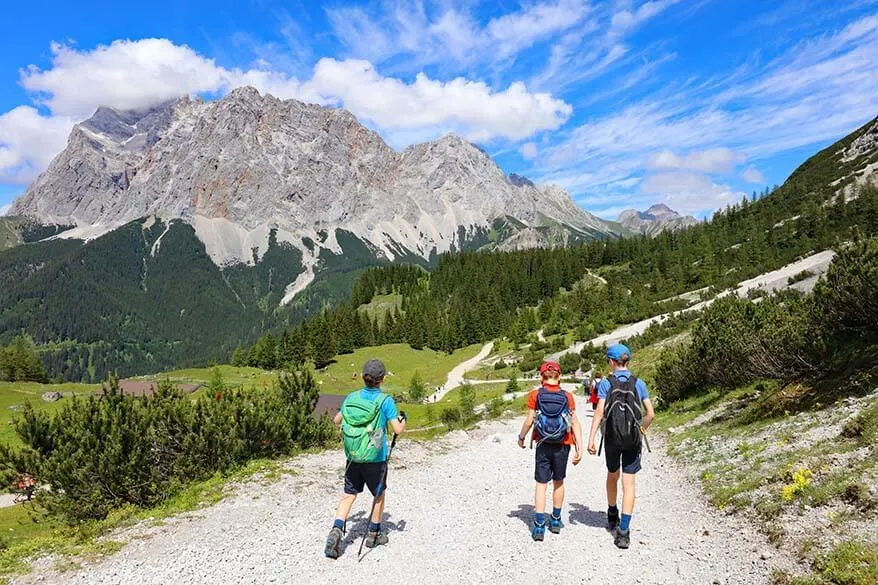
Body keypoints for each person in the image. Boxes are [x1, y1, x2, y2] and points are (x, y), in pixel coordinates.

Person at [325, 359, 406, 559]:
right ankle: (374, 533)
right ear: (383, 378)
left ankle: (336, 529)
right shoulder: (385, 401)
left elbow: (337, 421)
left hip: (353, 456)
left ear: (363, 377)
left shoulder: (351, 397)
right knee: (378, 495)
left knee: (348, 494)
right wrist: (403, 421)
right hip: (375, 456)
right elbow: (397, 429)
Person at [587, 344, 655, 550]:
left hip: (612, 439)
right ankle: (624, 532)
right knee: (629, 483)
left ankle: (611, 513)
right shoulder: (639, 383)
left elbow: (599, 413)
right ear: (627, 361)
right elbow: (650, 414)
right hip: (632, 439)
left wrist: (591, 438)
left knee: (612, 475)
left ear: (611, 362)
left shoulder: (606, 384)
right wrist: (641, 429)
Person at [517, 361, 583, 541]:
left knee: (541, 483)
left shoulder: (535, 395)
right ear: (559, 376)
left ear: (541, 377)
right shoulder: (567, 396)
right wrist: (579, 446)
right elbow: (574, 422)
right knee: (558, 481)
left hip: (543, 444)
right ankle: (555, 520)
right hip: (563, 443)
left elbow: (530, 420)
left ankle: (539, 525)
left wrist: (522, 437)